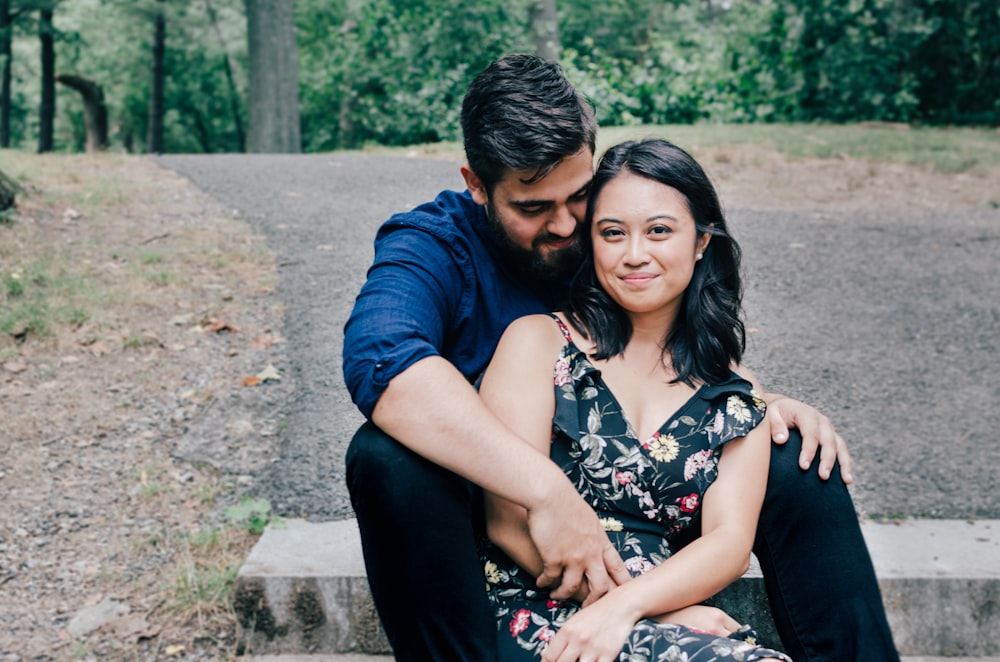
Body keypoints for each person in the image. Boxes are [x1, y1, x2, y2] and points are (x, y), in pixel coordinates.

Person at [343, 54, 899, 662]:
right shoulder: (436, 249)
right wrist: (547, 493)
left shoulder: (609, 232)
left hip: (645, 507)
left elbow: (670, 331)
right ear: (477, 185)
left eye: (580, 198)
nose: (564, 226)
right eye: (532, 207)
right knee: (386, 456)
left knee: (792, 451)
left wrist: (753, 404)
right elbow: (384, 363)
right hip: (503, 517)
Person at [479, 137, 790, 661]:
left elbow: (730, 544)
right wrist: (636, 609)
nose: (634, 255)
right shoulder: (537, 342)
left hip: (657, 611)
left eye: (659, 231)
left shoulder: (735, 394)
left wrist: (634, 608)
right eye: (612, 233)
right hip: (538, 606)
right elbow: (506, 522)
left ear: (701, 241)